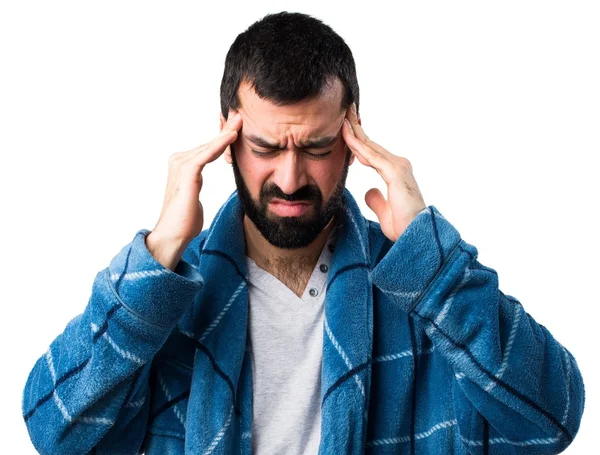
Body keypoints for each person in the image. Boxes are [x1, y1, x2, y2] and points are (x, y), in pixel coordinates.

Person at [22, 11, 584, 455]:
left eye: (316, 148)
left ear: (352, 135)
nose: (290, 180)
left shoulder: (421, 292)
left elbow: (553, 419)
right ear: (226, 138)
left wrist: (433, 265)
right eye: (266, 148)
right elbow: (54, 428)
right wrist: (160, 252)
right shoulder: (167, 293)